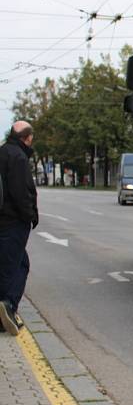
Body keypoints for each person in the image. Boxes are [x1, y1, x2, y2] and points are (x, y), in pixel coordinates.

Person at [0, 121, 38, 336]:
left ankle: (7, 307)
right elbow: (21, 192)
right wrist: (30, 216)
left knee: (19, 263)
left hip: (3, 219)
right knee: (12, 268)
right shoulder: (18, 157)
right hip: (13, 222)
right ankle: (7, 307)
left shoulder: (3, 152)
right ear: (28, 138)